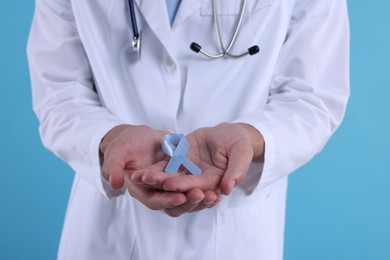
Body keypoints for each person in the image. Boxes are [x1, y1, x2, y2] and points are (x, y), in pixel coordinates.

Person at [27, 0, 350, 259]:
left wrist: (249, 138)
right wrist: (110, 138)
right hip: (109, 231)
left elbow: (313, 97)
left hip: (233, 232)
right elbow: (58, 90)